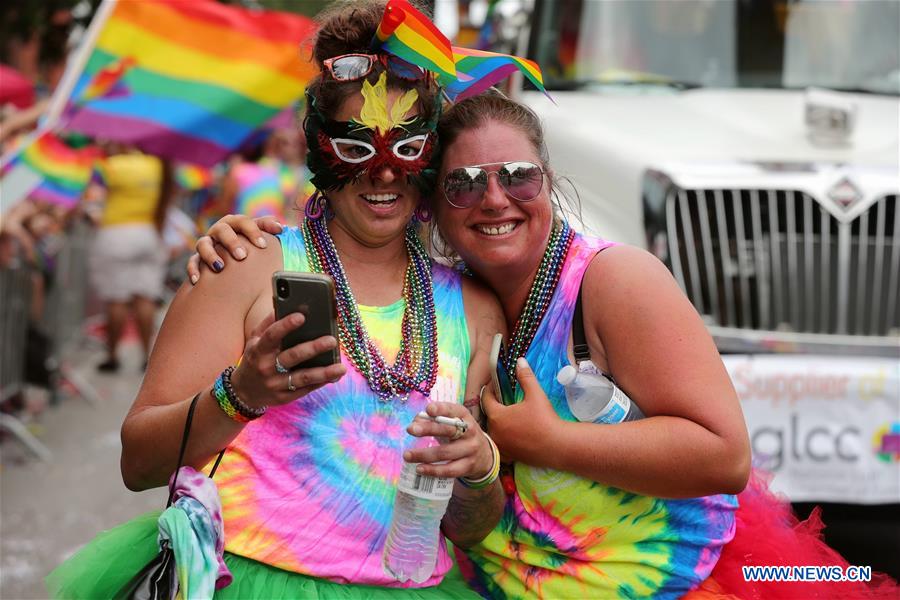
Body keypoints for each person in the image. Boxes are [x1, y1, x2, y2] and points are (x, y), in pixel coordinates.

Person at [193, 89, 900, 599]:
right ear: (433, 201)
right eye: (464, 184)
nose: (494, 198)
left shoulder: (614, 280)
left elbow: (723, 455)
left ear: (548, 181)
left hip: (647, 585)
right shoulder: (447, 297)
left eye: (517, 176)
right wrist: (243, 233)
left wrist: (545, 440)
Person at [47, 1, 505, 598]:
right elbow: (138, 463)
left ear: (432, 155)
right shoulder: (244, 264)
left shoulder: (473, 307)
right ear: (319, 147)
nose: (385, 174)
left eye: (408, 149)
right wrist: (240, 395)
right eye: (357, 149)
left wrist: (479, 470)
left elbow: (469, 530)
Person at [89, 143, 175, 372]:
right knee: (145, 298)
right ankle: (146, 356)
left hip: (115, 234)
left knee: (117, 299)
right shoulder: (159, 165)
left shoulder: (110, 166)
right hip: (148, 234)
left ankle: (112, 356)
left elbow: (90, 196)